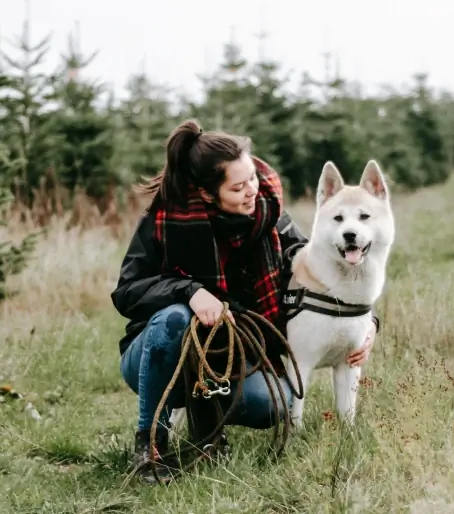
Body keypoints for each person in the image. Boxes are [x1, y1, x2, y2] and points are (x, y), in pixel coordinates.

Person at [110, 119, 375, 484]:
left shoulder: (270, 218)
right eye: (238, 187)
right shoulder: (165, 221)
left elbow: (321, 272)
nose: (252, 190)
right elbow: (127, 290)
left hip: (232, 356)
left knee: (274, 404)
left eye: (252, 177)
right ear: (207, 193)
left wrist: (367, 324)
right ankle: (150, 446)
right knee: (174, 317)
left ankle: (208, 430)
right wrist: (189, 291)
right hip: (157, 356)